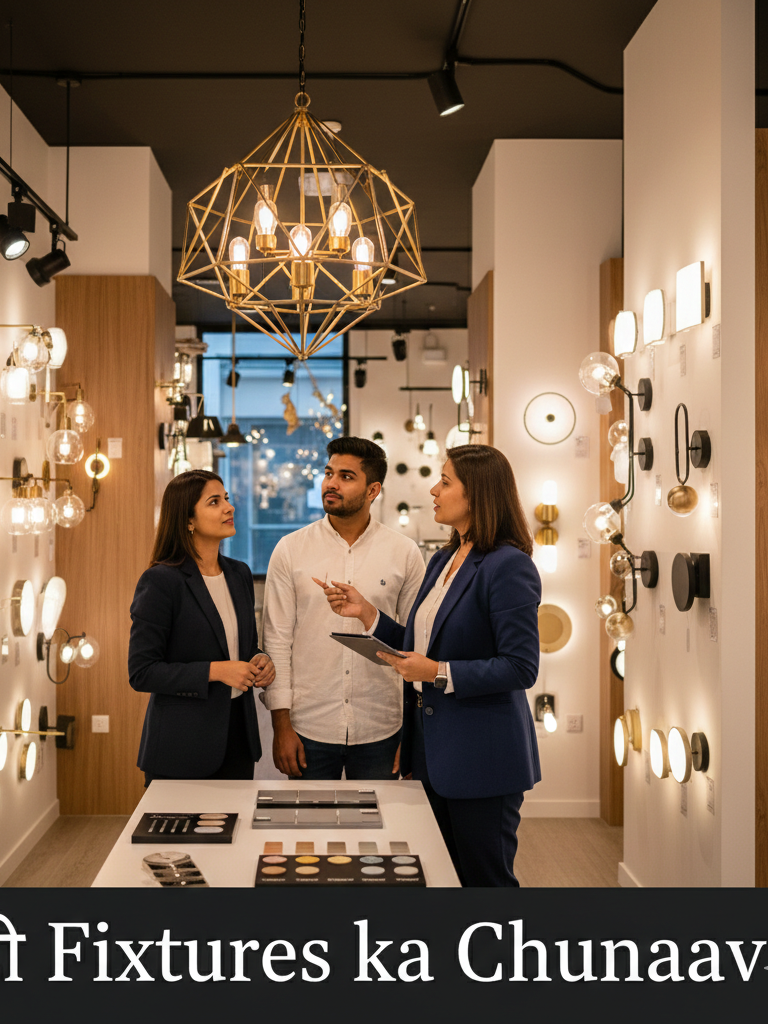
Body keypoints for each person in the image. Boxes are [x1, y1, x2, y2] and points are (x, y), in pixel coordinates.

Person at [319, 444, 541, 886]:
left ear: (477, 493)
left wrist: (438, 673)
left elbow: (520, 667)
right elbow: (418, 646)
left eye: (445, 481)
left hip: (482, 755)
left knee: (485, 879)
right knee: (438, 876)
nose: (433, 489)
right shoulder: (443, 559)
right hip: (432, 752)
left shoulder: (508, 566)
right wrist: (367, 613)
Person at [261, 436, 426, 780]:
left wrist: (411, 732)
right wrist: (282, 725)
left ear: (372, 490)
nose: (331, 484)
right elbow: (277, 641)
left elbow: (417, 645)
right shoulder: (290, 550)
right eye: (328, 473)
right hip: (310, 724)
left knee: (379, 828)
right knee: (307, 828)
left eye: (346, 476)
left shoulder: (404, 552)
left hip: (381, 724)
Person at [128, 470, 274, 785]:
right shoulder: (161, 582)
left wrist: (261, 660)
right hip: (182, 747)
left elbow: (243, 649)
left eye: (227, 499)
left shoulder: (239, 574)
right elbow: (142, 672)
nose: (229, 508)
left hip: (238, 739)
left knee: (237, 833)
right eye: (214, 502)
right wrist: (216, 671)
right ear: (188, 520)